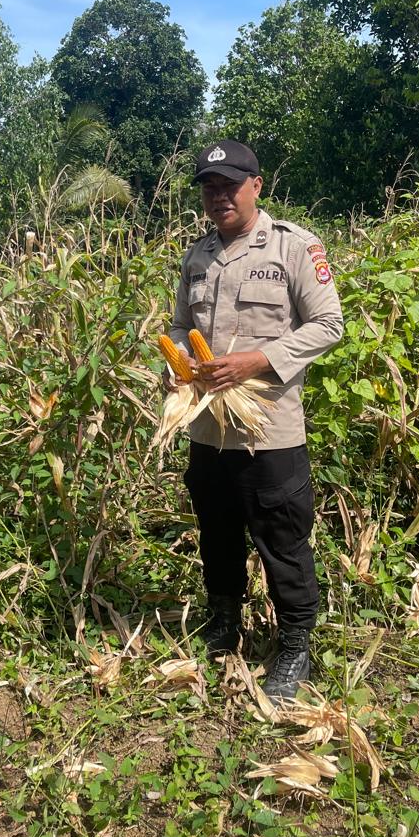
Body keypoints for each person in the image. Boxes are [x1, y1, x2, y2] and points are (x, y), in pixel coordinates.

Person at [167, 139, 343, 702]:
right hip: (207, 428)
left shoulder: (294, 247)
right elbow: (179, 326)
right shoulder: (197, 256)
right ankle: (224, 623)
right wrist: (178, 362)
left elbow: (328, 324)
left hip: (269, 430)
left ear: (256, 186)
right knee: (216, 532)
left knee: (282, 539)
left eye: (230, 186)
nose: (219, 197)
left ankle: (294, 645)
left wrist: (256, 360)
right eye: (209, 188)